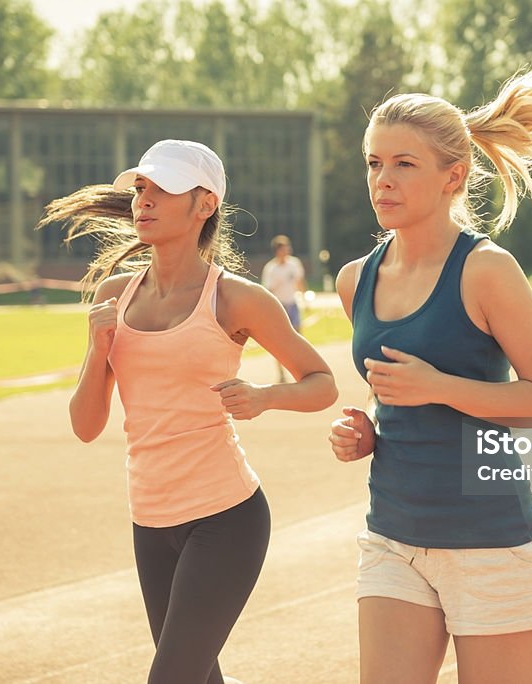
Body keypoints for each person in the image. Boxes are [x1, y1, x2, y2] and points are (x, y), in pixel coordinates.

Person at [327, 61, 532, 684]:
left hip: (491, 544)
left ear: (452, 176)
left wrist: (438, 387)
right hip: (394, 538)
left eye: (404, 164)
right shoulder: (356, 280)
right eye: (374, 163)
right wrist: (364, 431)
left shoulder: (487, 270)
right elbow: (396, 400)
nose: (383, 180)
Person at [37, 139, 337, 684]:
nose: (144, 200)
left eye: (163, 189)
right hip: (149, 520)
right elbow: (85, 427)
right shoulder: (114, 295)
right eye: (141, 188)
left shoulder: (237, 299)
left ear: (204, 205)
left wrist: (266, 398)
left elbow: (322, 383)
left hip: (226, 518)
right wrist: (96, 347)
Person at [261, 234, 306, 381]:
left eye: (288, 248)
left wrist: (305, 298)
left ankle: (300, 371)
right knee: (279, 342)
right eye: (284, 249)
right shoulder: (271, 269)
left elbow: (300, 281)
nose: (287, 251)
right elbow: (268, 291)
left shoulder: (294, 264)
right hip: (279, 307)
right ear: (277, 251)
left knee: (298, 338)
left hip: (292, 304)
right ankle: (281, 373)